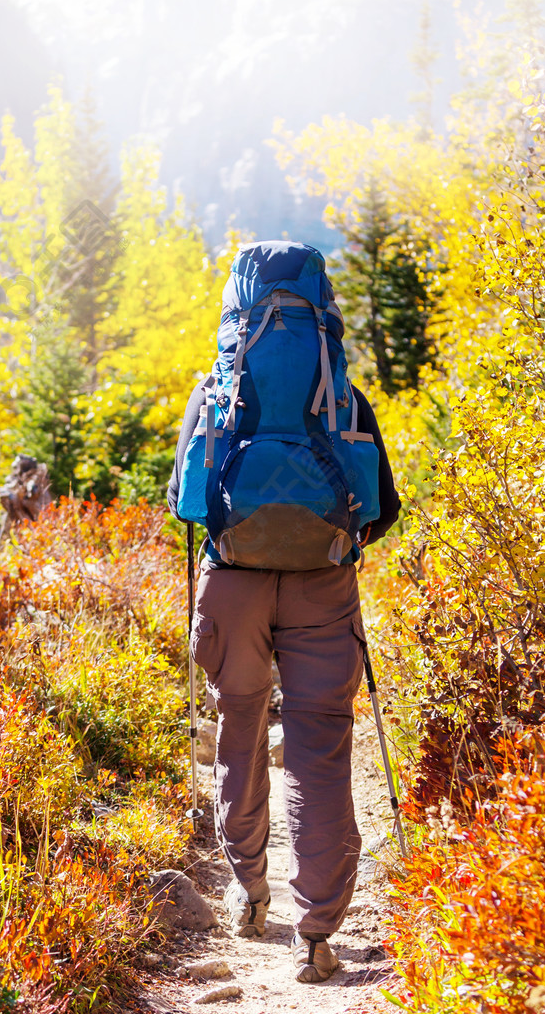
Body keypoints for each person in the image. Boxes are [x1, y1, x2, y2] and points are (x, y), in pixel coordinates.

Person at [167, 336, 400, 982]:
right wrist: (324, 544)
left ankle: (249, 891)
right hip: (323, 582)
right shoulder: (342, 395)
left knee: (239, 725)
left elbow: (182, 503)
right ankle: (318, 932)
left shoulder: (214, 390)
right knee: (318, 745)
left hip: (232, 582)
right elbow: (384, 507)